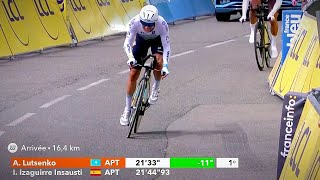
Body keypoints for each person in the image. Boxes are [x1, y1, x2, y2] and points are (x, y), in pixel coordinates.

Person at [120, 5, 171, 126]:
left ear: (155, 21)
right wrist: (130, 58)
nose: (147, 27)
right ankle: (127, 109)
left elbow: (167, 46)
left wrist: (166, 66)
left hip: (156, 40)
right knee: (133, 74)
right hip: (141, 41)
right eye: (144, 24)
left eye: (150, 25)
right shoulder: (135, 22)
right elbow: (127, 42)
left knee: (159, 60)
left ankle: (156, 87)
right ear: (141, 21)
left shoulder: (162, 24)